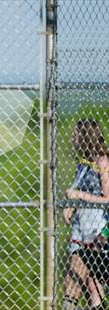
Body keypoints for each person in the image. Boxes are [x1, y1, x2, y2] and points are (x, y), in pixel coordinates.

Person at [62, 119, 109, 310]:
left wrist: (79, 196)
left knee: (78, 273)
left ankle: (68, 306)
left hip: (97, 224)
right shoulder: (83, 162)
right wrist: (71, 206)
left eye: (75, 135)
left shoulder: (102, 161)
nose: (72, 138)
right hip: (81, 224)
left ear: (84, 137)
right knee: (91, 280)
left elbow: (108, 198)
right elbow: (79, 188)